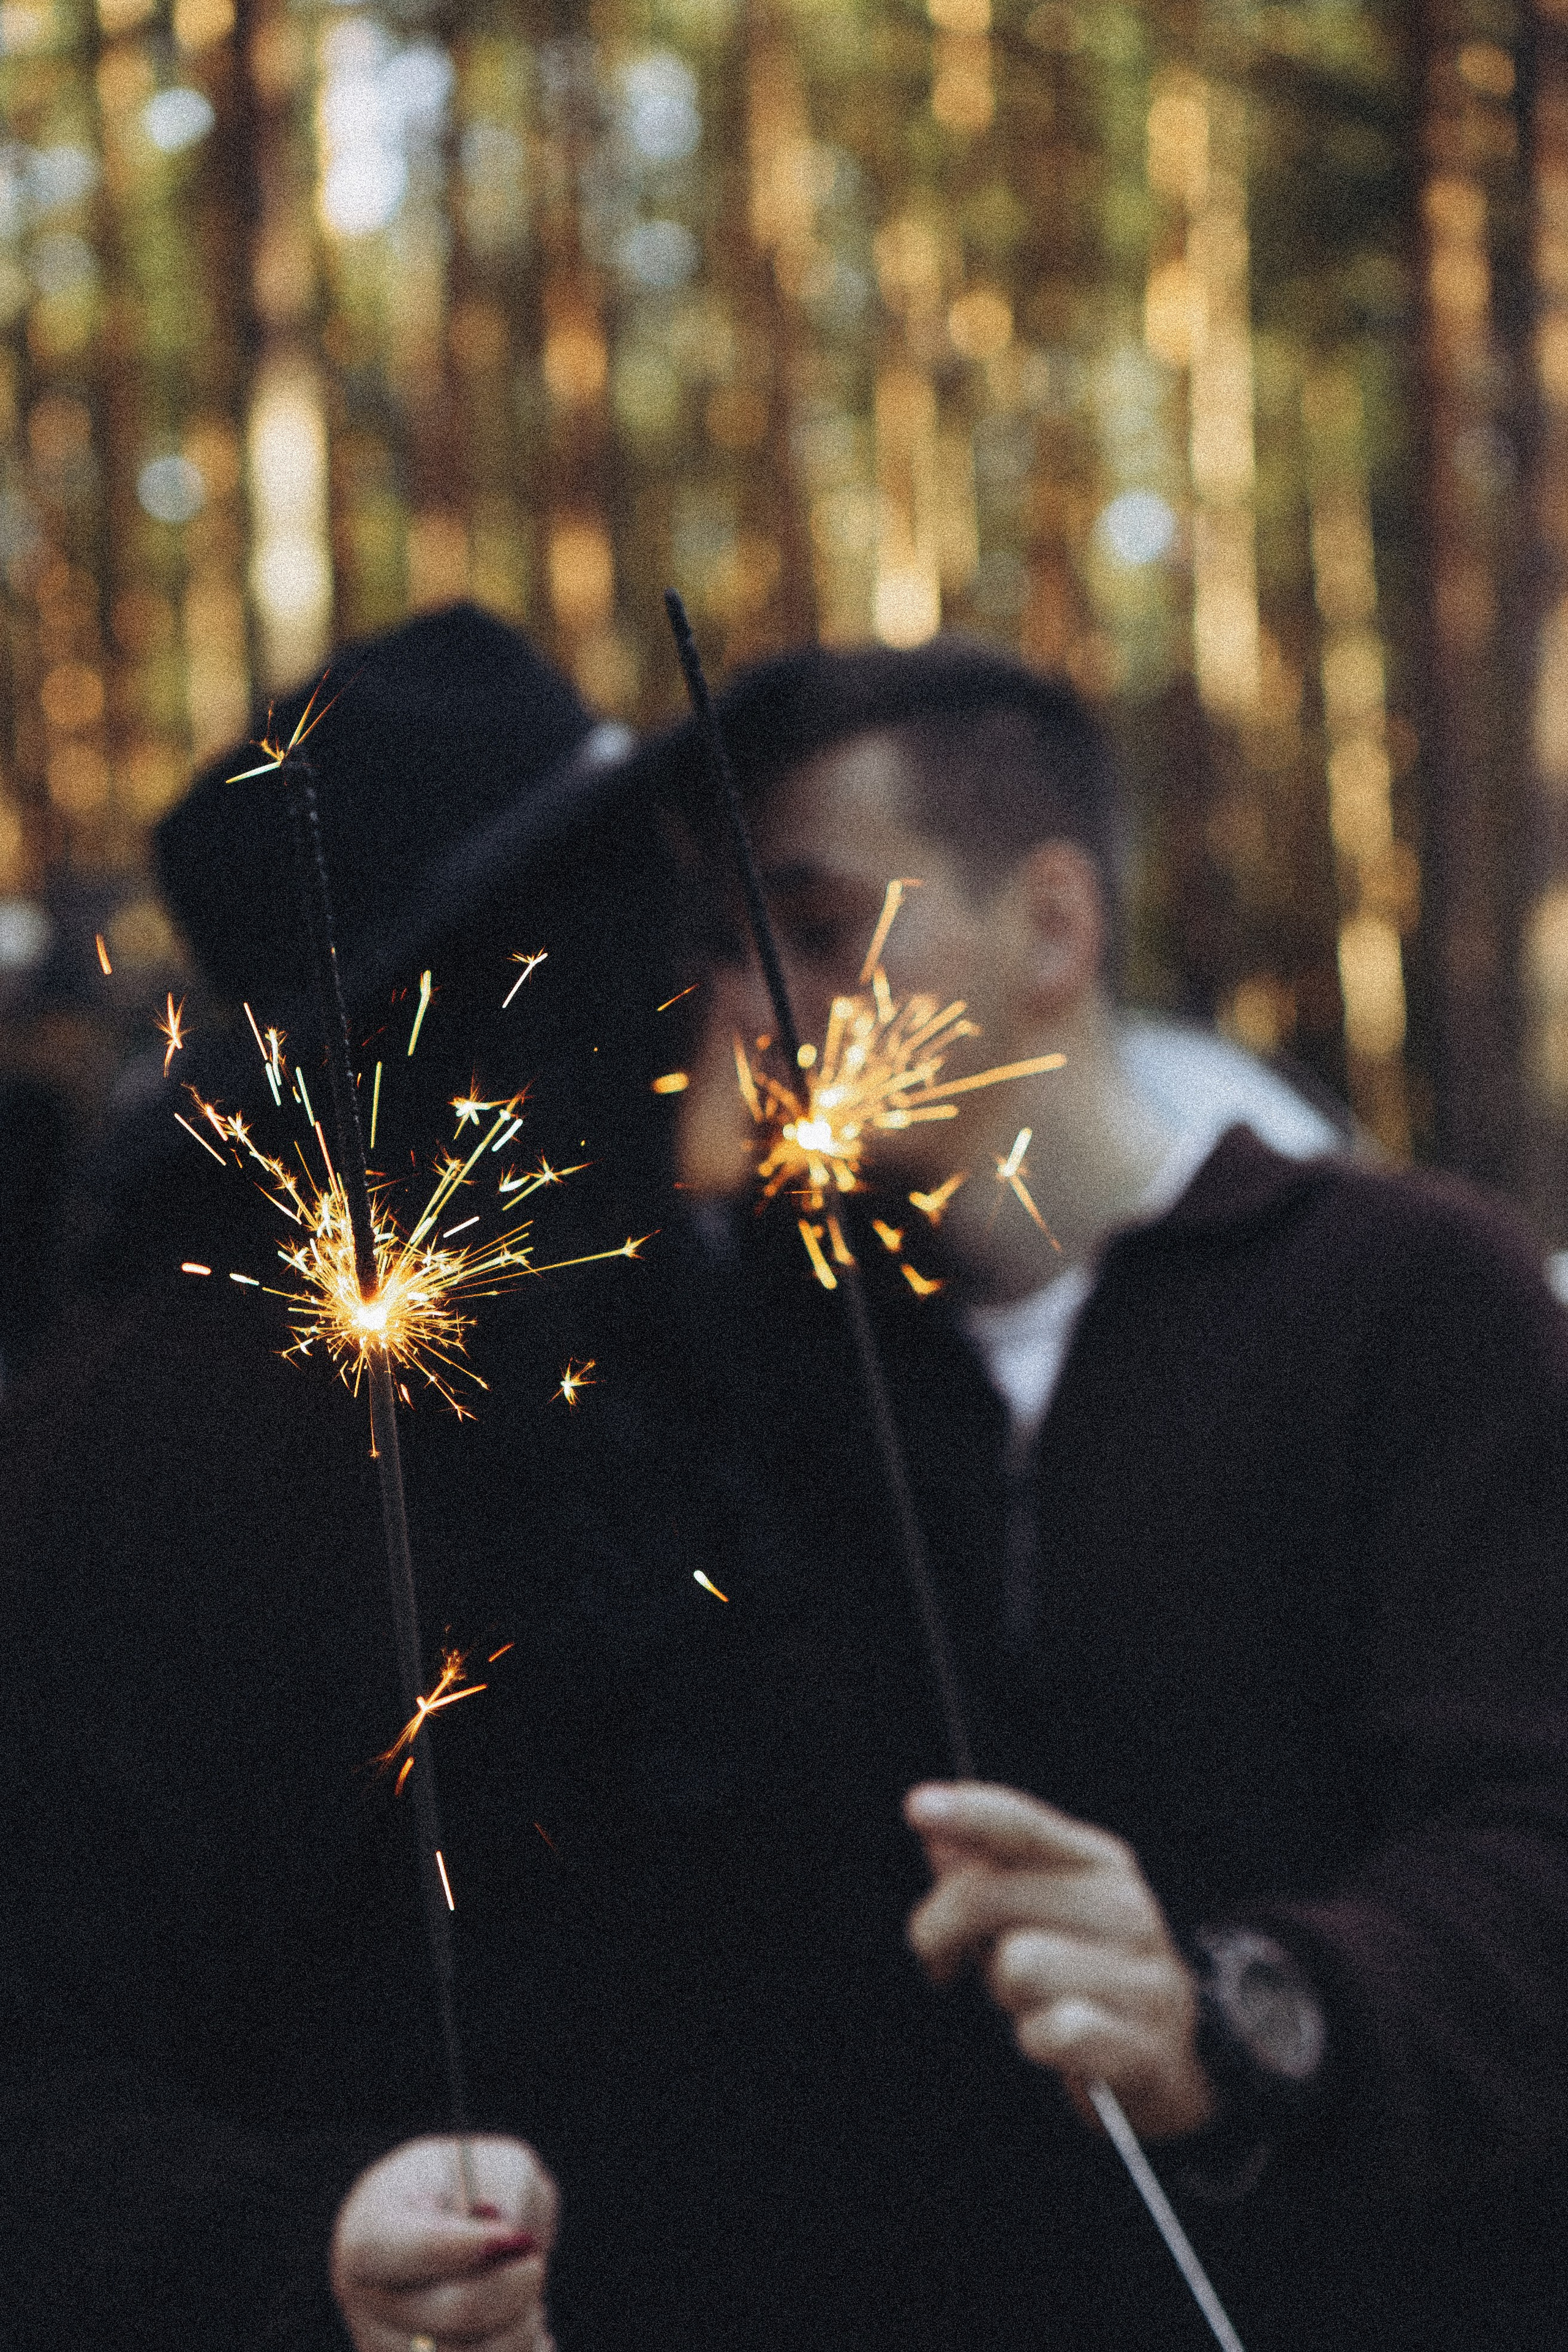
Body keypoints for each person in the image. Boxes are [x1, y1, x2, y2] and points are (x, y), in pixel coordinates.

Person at [8, 628, 1568, 2352]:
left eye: (803, 931)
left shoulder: (1396, 1300)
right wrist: (302, 2246)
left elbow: (1528, 1844)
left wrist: (1250, 2015)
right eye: (683, 939)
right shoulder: (698, 1364)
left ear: (1052, 923)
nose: (736, 999)